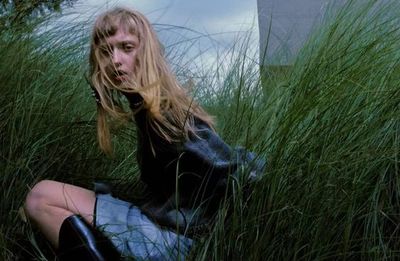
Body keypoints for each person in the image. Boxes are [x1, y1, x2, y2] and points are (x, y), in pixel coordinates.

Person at [23, 7, 264, 260]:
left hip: (177, 243)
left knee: (41, 196)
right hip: (170, 231)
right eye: (106, 51)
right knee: (46, 197)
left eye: (126, 47)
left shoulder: (166, 114)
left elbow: (237, 173)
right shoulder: (147, 108)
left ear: (146, 52)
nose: (114, 60)